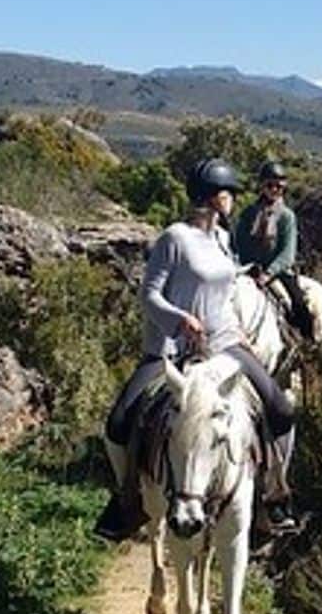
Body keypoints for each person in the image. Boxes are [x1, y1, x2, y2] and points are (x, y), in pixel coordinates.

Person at [94, 157, 296, 541]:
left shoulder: (223, 239)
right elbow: (149, 295)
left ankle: (274, 494)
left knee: (281, 409)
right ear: (214, 197)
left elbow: (225, 292)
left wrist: (237, 330)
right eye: (229, 193)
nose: (233, 200)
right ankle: (126, 501)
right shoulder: (174, 238)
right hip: (170, 348)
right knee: (118, 423)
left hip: (224, 341)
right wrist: (180, 320)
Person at [233, 161, 315, 339]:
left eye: (279, 186)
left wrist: (269, 273)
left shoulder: (287, 216)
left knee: (299, 303)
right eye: (270, 185)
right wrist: (247, 266)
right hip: (249, 270)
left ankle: (307, 342)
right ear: (262, 186)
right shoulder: (248, 214)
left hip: (278, 272)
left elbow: (287, 253)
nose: (275, 190)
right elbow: (239, 243)